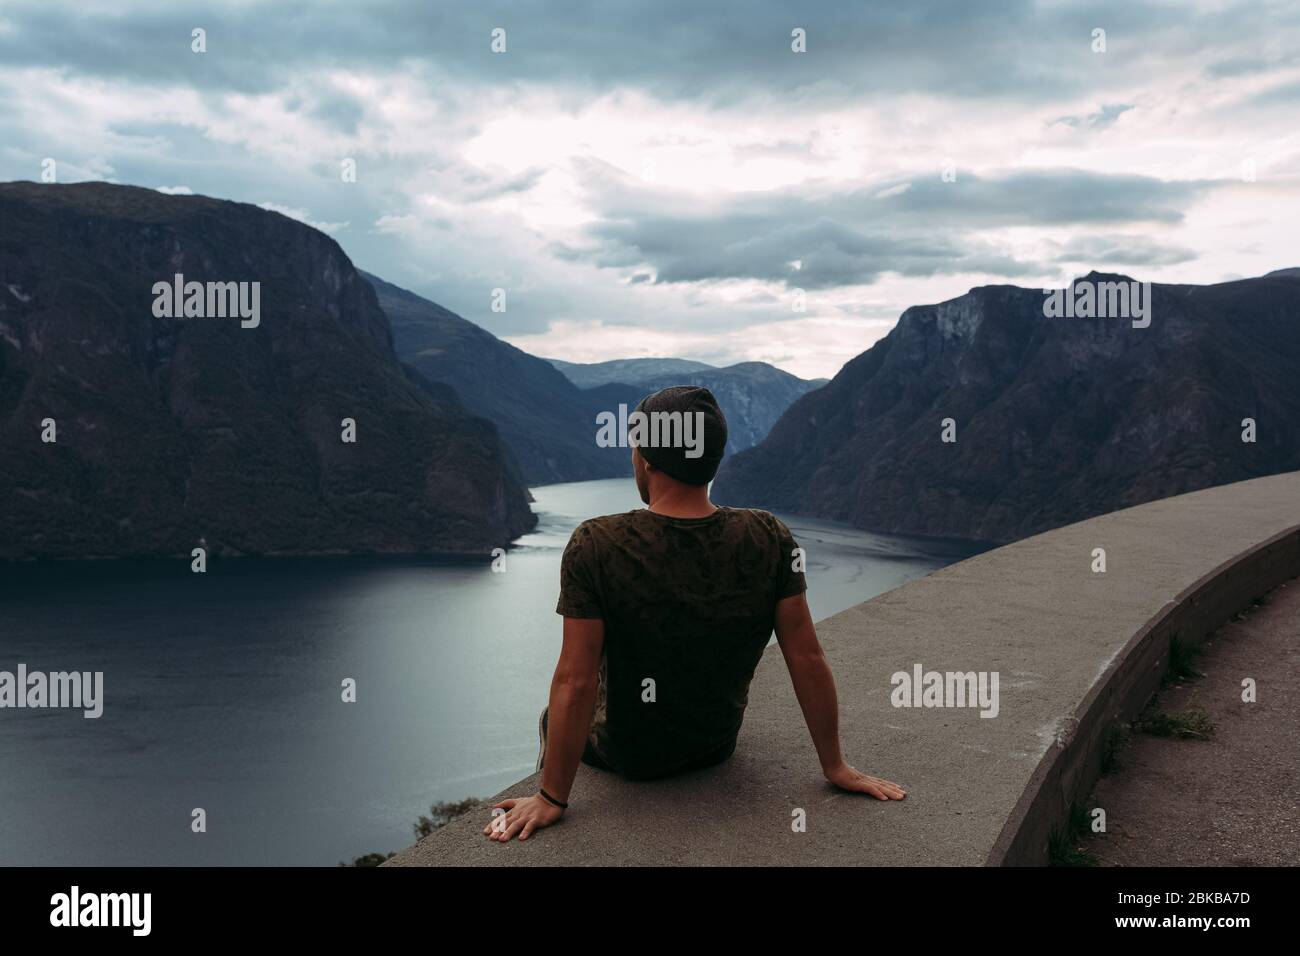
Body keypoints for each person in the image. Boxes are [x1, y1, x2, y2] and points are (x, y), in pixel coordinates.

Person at [483, 385, 906, 843]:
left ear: (645, 458)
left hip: (629, 756)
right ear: (714, 459)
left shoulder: (597, 543)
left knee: (552, 713)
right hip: (714, 746)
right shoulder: (768, 535)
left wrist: (551, 797)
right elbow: (806, 658)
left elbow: (576, 681)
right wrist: (834, 766)